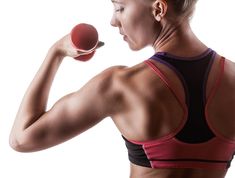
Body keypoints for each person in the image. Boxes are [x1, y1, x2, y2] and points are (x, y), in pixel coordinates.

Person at [9, 0, 235, 177]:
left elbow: (22, 138)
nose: (113, 21)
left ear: (158, 9)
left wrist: (56, 52)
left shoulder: (120, 85)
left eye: (120, 7)